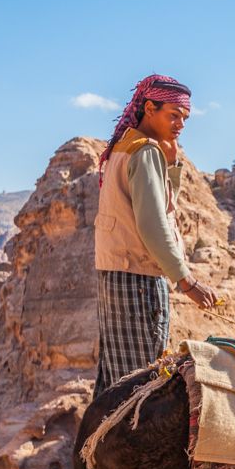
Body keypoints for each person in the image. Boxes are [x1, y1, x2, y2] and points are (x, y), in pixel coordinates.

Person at [93, 73, 219, 396]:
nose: (180, 124)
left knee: (117, 380)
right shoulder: (144, 151)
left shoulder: (126, 147)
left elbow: (159, 208)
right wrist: (185, 281)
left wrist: (172, 164)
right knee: (141, 388)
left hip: (117, 276)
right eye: (173, 115)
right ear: (150, 108)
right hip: (139, 281)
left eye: (185, 118)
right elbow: (154, 225)